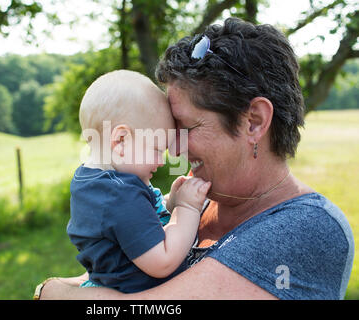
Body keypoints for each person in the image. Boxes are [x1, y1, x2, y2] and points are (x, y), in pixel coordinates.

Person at [38, 18, 354, 300]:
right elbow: (105, 275)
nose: (173, 150)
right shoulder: (194, 200)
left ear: (253, 122)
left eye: (187, 127)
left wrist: (49, 291)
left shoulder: (310, 227)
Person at [40, 70, 211, 295]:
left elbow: (135, 227)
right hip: (141, 293)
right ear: (121, 141)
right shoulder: (120, 195)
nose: (161, 161)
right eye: (157, 149)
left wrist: (170, 203)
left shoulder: (90, 182)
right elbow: (163, 260)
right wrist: (186, 208)